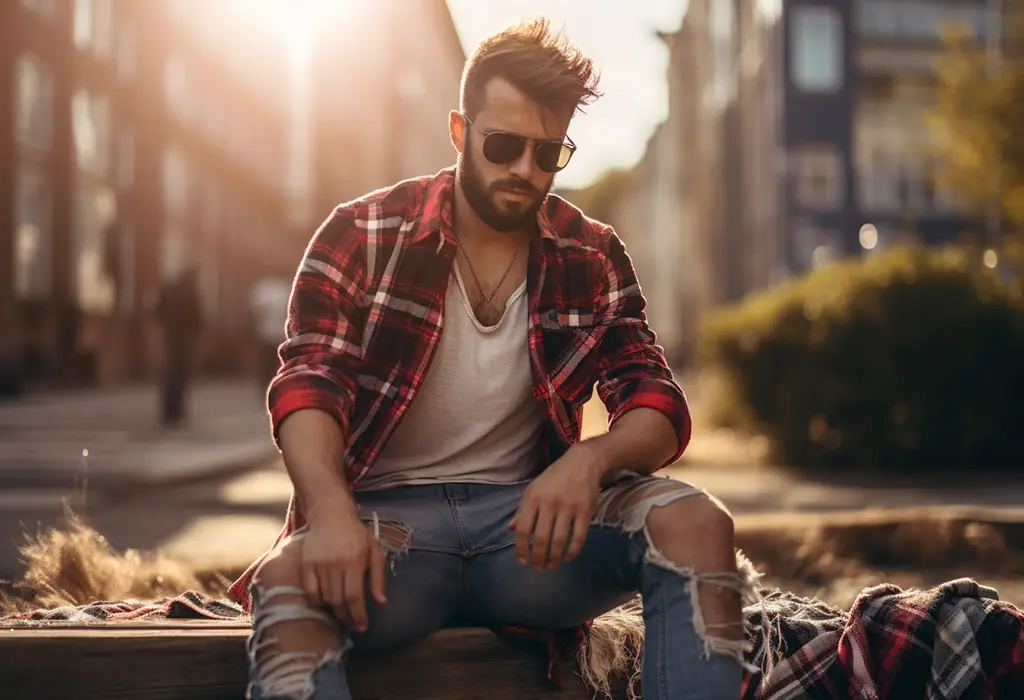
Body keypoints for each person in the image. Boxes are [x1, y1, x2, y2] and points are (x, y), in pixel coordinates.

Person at [232, 20, 758, 700]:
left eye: (548, 154)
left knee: (697, 522)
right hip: (388, 537)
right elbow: (308, 386)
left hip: (530, 538)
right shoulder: (362, 232)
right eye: (503, 145)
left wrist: (588, 460)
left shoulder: (590, 253)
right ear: (460, 130)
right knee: (287, 582)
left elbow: (655, 400)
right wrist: (328, 508)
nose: (524, 171)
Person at [155, 265, 203, 426]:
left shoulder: (169, 290)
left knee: (171, 373)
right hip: (185, 337)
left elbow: (158, 312)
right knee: (181, 374)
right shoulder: (191, 293)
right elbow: (197, 317)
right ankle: (177, 411)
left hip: (170, 335)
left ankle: (168, 410)